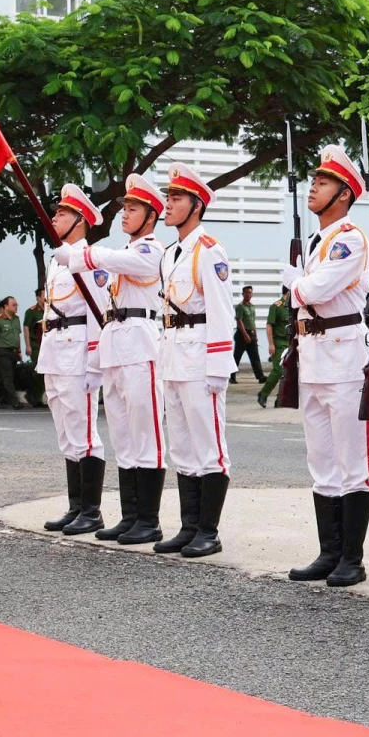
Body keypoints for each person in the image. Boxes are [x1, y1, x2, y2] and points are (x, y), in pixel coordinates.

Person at [279, 145, 369, 586]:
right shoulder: (317, 243)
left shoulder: (350, 238)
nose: (312, 188)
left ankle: (351, 558)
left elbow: (313, 291)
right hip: (313, 357)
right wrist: (301, 283)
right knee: (322, 461)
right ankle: (328, 551)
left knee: (353, 462)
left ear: (344, 193)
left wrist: (293, 280)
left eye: (323, 183)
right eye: (313, 181)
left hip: (343, 355)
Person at [58, 173, 167, 545]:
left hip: (142, 344)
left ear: (151, 217)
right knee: (123, 434)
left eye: (133, 209)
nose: (125, 214)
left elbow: (113, 259)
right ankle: (130, 515)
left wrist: (80, 254)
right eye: (125, 208)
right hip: (117, 345)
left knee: (146, 434)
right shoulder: (125, 253)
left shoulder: (151, 250)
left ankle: (149, 520)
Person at [153, 162, 235, 558]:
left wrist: (219, 368)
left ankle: (208, 531)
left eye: (176, 199)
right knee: (182, 447)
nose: (167, 205)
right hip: (173, 357)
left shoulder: (208, 251)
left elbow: (222, 311)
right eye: (167, 198)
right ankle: (188, 527)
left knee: (209, 448)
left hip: (200, 358)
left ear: (196, 206)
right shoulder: (171, 254)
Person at [37, 185, 110, 536]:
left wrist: (96, 360)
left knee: (83, 432)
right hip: (55, 349)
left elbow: (100, 313)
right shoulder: (57, 260)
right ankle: (76, 506)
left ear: (80, 221)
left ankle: (92, 511)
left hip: (78, 351)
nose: (54, 219)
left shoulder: (89, 260)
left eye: (62, 214)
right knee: (66, 431)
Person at [258, 285, 292, 407]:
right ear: (288, 292)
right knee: (278, 370)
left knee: (289, 372)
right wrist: (271, 344)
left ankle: (280, 399)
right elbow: (269, 325)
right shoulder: (276, 306)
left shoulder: (292, 306)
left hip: (290, 342)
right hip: (279, 343)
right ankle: (263, 394)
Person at [0, 297, 23, 407]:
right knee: (8, 377)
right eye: (13, 305)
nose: (16, 307)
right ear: (5, 306)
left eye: (16, 305)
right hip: (2, 351)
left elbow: (17, 336)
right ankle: (15, 402)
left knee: (5, 377)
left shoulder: (16, 319)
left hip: (13, 352)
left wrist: (19, 351)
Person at [232, 285, 266, 383]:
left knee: (255, 356)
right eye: (247, 293)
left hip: (252, 334)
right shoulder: (240, 307)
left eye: (250, 293)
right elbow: (239, 321)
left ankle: (260, 377)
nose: (249, 294)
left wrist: (255, 334)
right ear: (243, 294)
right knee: (236, 357)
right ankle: (232, 377)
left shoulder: (252, 307)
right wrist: (245, 335)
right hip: (242, 335)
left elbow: (252, 322)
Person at [24, 288, 46, 365]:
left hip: (47, 344)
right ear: (38, 298)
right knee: (40, 368)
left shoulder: (50, 311)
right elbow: (26, 328)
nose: (46, 298)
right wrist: (28, 346)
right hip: (36, 346)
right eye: (44, 295)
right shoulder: (31, 311)